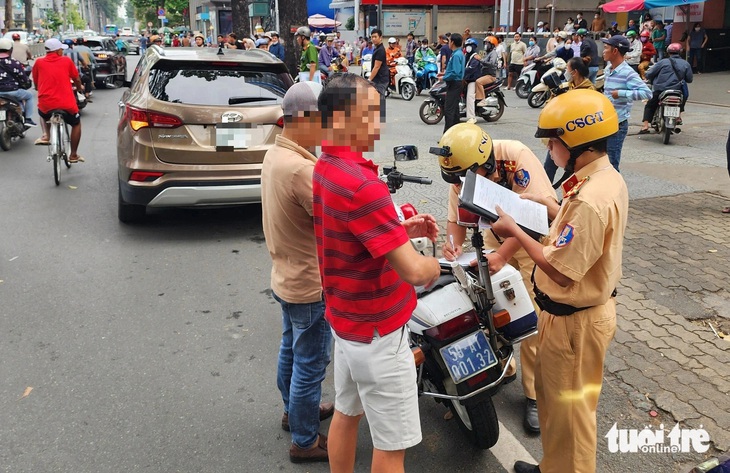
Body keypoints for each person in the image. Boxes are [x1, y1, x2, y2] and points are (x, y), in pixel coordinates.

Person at [312, 73, 441, 473]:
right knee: (390, 446)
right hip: (379, 335)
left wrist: (398, 230)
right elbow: (417, 272)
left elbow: (354, 235)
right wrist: (436, 261)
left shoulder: (326, 166)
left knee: (347, 414)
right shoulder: (364, 185)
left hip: (346, 324)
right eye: (368, 115)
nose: (377, 125)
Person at [505, 89, 628, 473]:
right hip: (566, 317)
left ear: (575, 145)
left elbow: (559, 268)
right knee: (556, 407)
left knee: (572, 420)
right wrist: (552, 209)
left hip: (575, 321)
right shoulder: (604, 179)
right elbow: (575, 238)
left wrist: (514, 229)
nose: (550, 150)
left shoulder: (590, 200)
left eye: (553, 143)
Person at [438, 123, 558, 434]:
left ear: (487, 162)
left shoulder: (515, 157)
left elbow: (537, 217)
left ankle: (535, 396)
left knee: (533, 316)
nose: (460, 183)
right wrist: (453, 246)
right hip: (496, 239)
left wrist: (504, 256)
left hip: (535, 240)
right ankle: (506, 363)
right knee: (491, 304)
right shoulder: (463, 171)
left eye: (466, 176)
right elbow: (456, 221)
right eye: (456, 178)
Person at [261, 81, 334, 464]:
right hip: (309, 282)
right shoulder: (302, 169)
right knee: (311, 362)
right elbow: (335, 220)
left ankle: (294, 412)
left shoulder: (276, 154)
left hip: (285, 276)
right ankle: (305, 441)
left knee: (291, 348)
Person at [601, 35, 651, 171]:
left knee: (611, 164)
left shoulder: (627, 72)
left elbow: (646, 93)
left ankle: (615, 191)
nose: (603, 51)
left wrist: (621, 94)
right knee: (601, 162)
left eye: (606, 48)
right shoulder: (608, 70)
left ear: (615, 51)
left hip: (617, 125)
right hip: (605, 122)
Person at [32, 38, 84, 163]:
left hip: (46, 103)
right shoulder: (66, 61)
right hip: (66, 104)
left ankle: (46, 136)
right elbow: (76, 78)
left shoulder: (39, 62)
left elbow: (36, 81)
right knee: (76, 124)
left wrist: (39, 88)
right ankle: (73, 155)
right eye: (61, 49)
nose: (62, 51)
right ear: (57, 51)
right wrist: (79, 87)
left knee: (42, 114)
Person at [543, 57, 595, 182]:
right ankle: (544, 193)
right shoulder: (565, 87)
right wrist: (556, 96)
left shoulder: (590, 91)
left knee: (573, 171)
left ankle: (570, 198)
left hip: (577, 138)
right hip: (559, 135)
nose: (566, 71)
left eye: (567, 68)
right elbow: (549, 105)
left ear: (574, 72)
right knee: (549, 166)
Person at [639, 43, 692, 134]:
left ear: (668, 52)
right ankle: (678, 117)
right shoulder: (686, 64)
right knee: (681, 101)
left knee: (650, 105)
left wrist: (647, 75)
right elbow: (689, 79)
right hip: (677, 90)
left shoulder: (662, 62)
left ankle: (645, 126)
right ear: (680, 52)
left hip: (660, 89)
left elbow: (650, 73)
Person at [0, 38, 37, 127]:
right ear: (10, 50)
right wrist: (27, 83)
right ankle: (28, 119)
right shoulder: (14, 63)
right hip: (12, 91)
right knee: (29, 96)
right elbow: (23, 78)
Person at [441, 33, 464, 133]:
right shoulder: (459, 53)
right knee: (454, 110)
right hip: (457, 83)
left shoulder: (456, 55)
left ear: (453, 42)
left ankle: (448, 134)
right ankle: (456, 133)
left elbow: (455, 72)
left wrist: (444, 77)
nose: (448, 43)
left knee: (449, 110)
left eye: (449, 41)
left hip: (454, 83)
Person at [369, 30, 390, 118]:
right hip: (378, 78)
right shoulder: (377, 48)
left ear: (380, 38)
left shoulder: (380, 50)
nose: (373, 39)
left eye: (375, 37)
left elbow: (377, 67)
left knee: (379, 97)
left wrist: (369, 79)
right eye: (372, 37)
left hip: (381, 79)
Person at [475, 36, 499, 107]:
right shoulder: (488, 53)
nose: (486, 45)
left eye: (487, 44)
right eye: (485, 44)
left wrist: (480, 60)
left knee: (478, 82)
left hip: (490, 76)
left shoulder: (493, 53)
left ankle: (483, 100)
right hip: (484, 75)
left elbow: (491, 63)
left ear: (492, 45)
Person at [463, 38, 482, 120]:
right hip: (466, 79)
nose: (468, 47)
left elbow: (471, 68)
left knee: (470, 96)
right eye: (467, 46)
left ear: (474, 47)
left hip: (473, 80)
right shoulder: (466, 56)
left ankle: (471, 117)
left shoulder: (475, 57)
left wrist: (461, 71)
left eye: (470, 46)